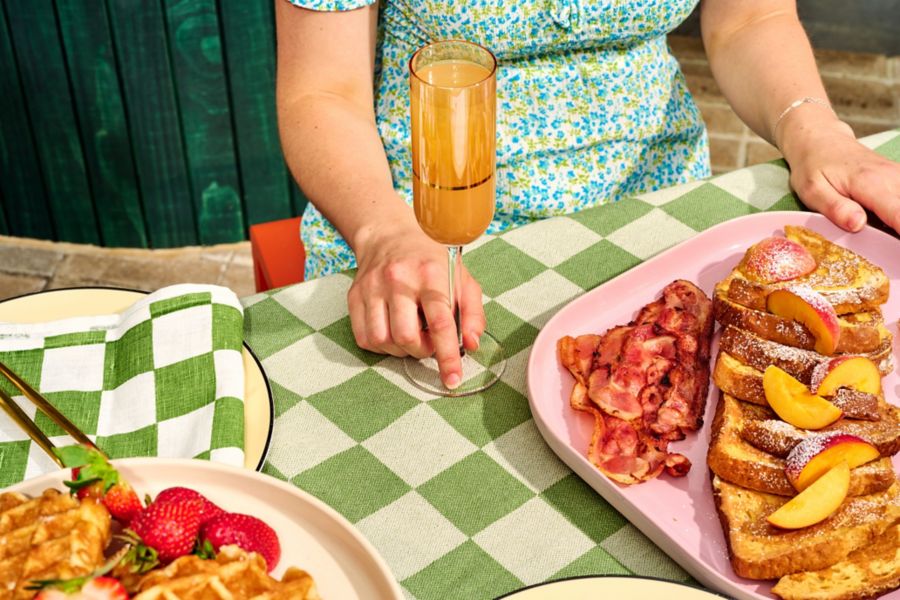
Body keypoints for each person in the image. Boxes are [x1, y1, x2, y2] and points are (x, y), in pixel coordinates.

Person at [275, 0, 900, 390]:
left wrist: (815, 129)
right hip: (418, 234)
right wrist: (383, 232)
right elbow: (321, 92)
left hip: (649, 217)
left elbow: (750, 17)